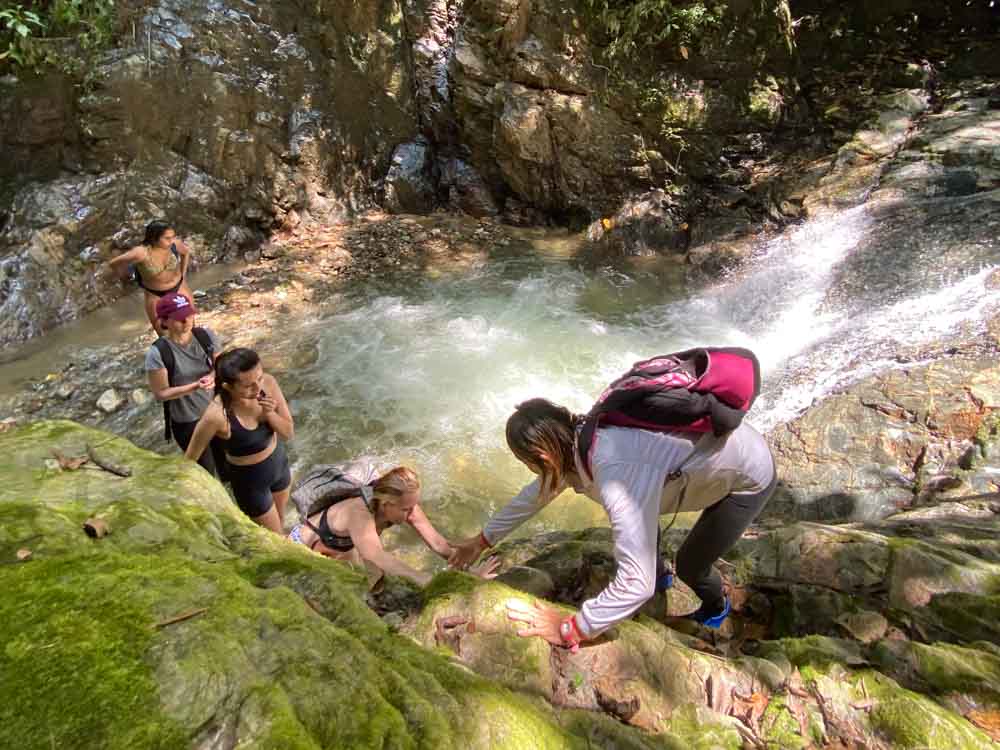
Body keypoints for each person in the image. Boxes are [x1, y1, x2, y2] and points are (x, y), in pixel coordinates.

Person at [449, 398, 776, 650]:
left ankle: (716, 607)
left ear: (544, 457)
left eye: (528, 464)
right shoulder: (578, 438)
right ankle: (663, 572)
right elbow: (535, 495)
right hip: (704, 463)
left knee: (691, 565)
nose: (534, 473)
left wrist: (571, 628)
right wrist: (481, 541)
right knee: (643, 511)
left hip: (747, 475)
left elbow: (637, 583)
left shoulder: (611, 466)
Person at [288, 462, 499, 586]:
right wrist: (430, 581)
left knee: (373, 582)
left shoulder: (405, 505)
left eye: (414, 504)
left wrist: (469, 572)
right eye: (406, 509)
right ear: (387, 504)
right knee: (367, 577)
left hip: (343, 545)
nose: (412, 512)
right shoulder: (359, 514)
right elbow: (379, 557)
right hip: (304, 546)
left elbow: (440, 545)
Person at [184, 347, 294, 533]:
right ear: (228, 386)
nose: (258, 387)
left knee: (281, 525)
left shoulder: (268, 383)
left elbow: (288, 433)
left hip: (279, 466)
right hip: (251, 484)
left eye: (259, 378)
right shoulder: (216, 415)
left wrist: (270, 415)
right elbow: (189, 461)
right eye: (248, 385)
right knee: (274, 537)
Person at [144, 293, 225, 478]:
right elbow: (161, 394)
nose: (187, 321)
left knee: (230, 465)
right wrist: (194, 386)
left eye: (189, 315)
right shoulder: (158, 353)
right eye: (180, 318)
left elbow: (223, 365)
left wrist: (213, 375)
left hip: (217, 411)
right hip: (188, 421)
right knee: (206, 475)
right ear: (165, 321)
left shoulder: (206, 336)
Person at [108, 220, 194, 335]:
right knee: (163, 333)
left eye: (172, 237)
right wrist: (123, 276)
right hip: (155, 294)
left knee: (191, 326)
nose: (171, 241)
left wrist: (183, 275)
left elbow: (186, 252)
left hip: (178, 287)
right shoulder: (140, 253)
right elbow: (113, 263)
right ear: (154, 238)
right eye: (167, 238)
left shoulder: (174, 244)